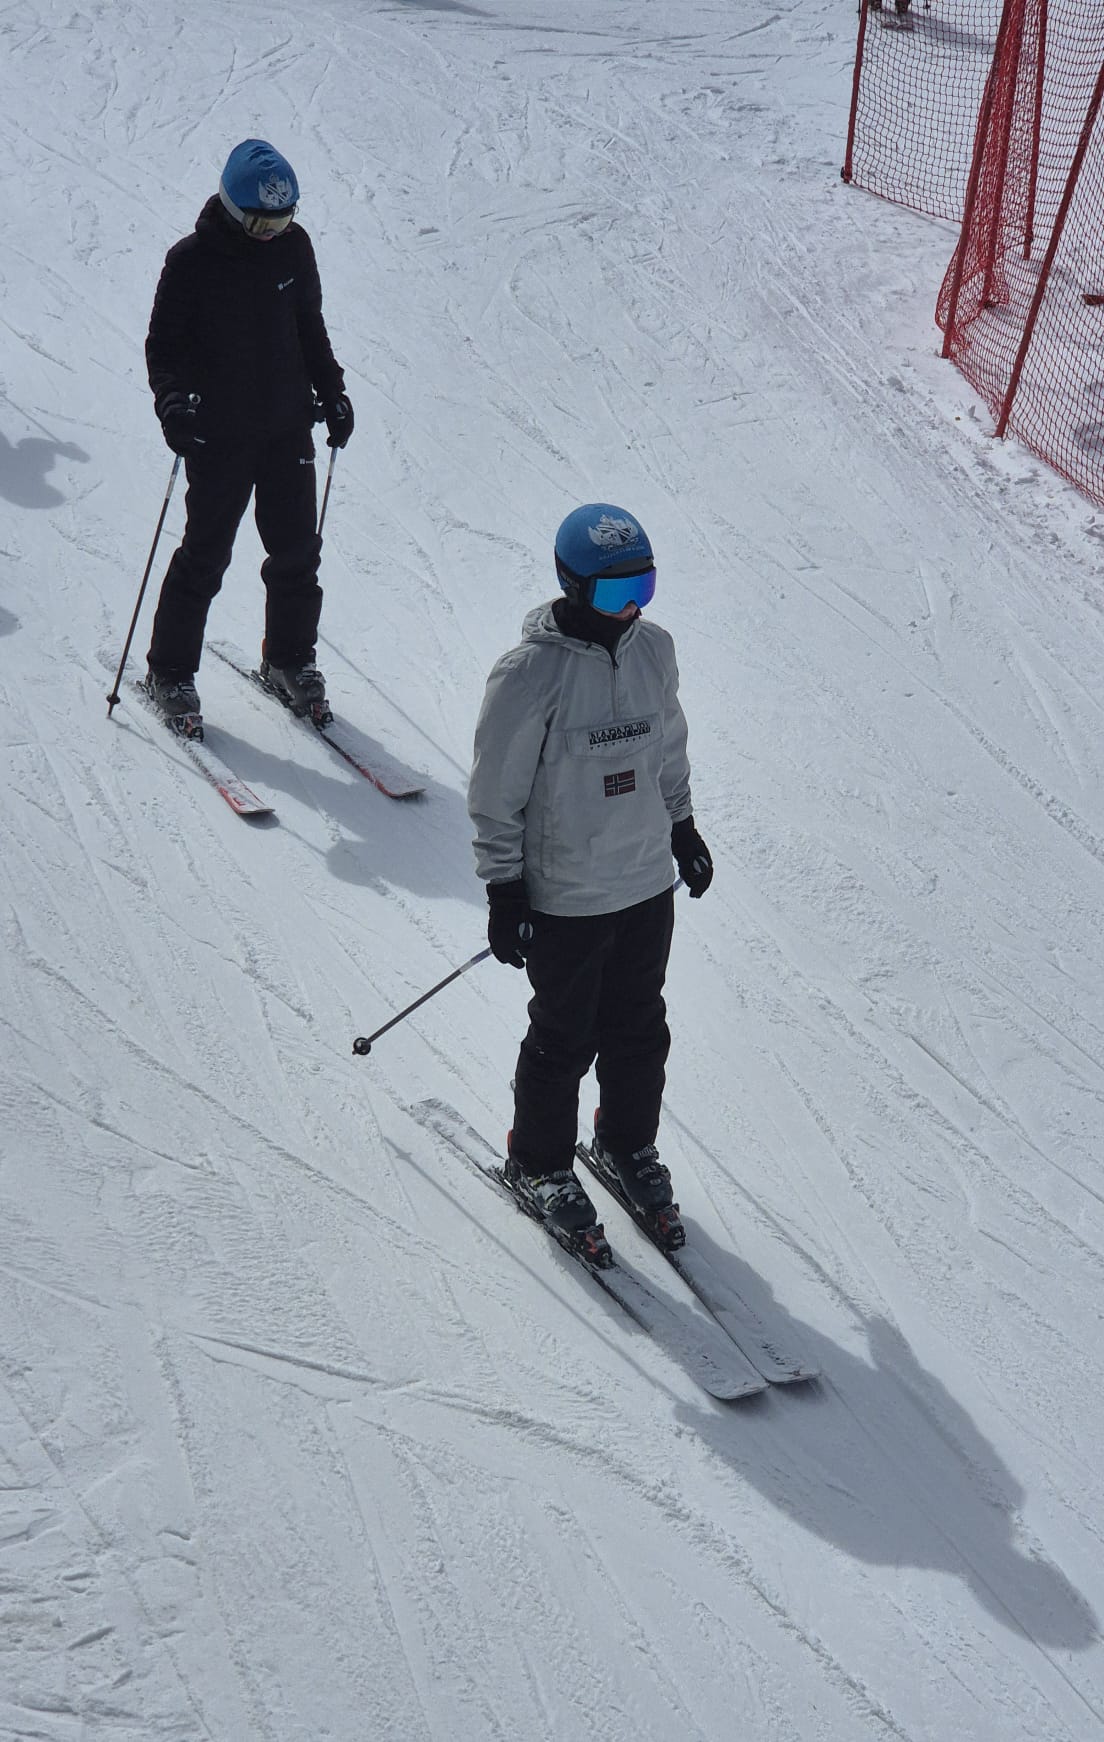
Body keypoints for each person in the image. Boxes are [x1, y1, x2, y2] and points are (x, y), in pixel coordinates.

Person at [468, 503, 714, 1251]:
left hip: (644, 884)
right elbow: (496, 792)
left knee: (640, 1028)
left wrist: (682, 827)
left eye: (644, 586)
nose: (633, 607)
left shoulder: (653, 650)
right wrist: (505, 889)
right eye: (616, 592)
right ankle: (539, 1161)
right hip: (567, 895)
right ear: (573, 586)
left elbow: (667, 746)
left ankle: (625, 1143)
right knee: (563, 1037)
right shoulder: (528, 675)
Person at [143, 139, 354, 734]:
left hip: (287, 426)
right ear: (233, 209)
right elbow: (164, 348)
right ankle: (169, 671)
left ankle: (288, 658)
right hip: (219, 434)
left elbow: (309, 326)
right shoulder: (191, 261)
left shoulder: (294, 248)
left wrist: (333, 391)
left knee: (297, 554)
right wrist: (173, 406)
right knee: (206, 555)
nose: (271, 233)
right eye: (262, 222)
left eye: (282, 220)